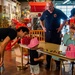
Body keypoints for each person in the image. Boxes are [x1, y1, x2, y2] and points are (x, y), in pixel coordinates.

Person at [40, 1, 67, 70]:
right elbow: (41, 20)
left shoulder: (58, 11)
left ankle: (57, 64)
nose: (49, 8)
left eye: (50, 7)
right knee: (48, 49)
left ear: (53, 5)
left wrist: (61, 27)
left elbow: (65, 18)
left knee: (56, 48)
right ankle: (48, 63)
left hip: (56, 32)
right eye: (47, 7)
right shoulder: (45, 12)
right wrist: (43, 27)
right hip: (48, 33)